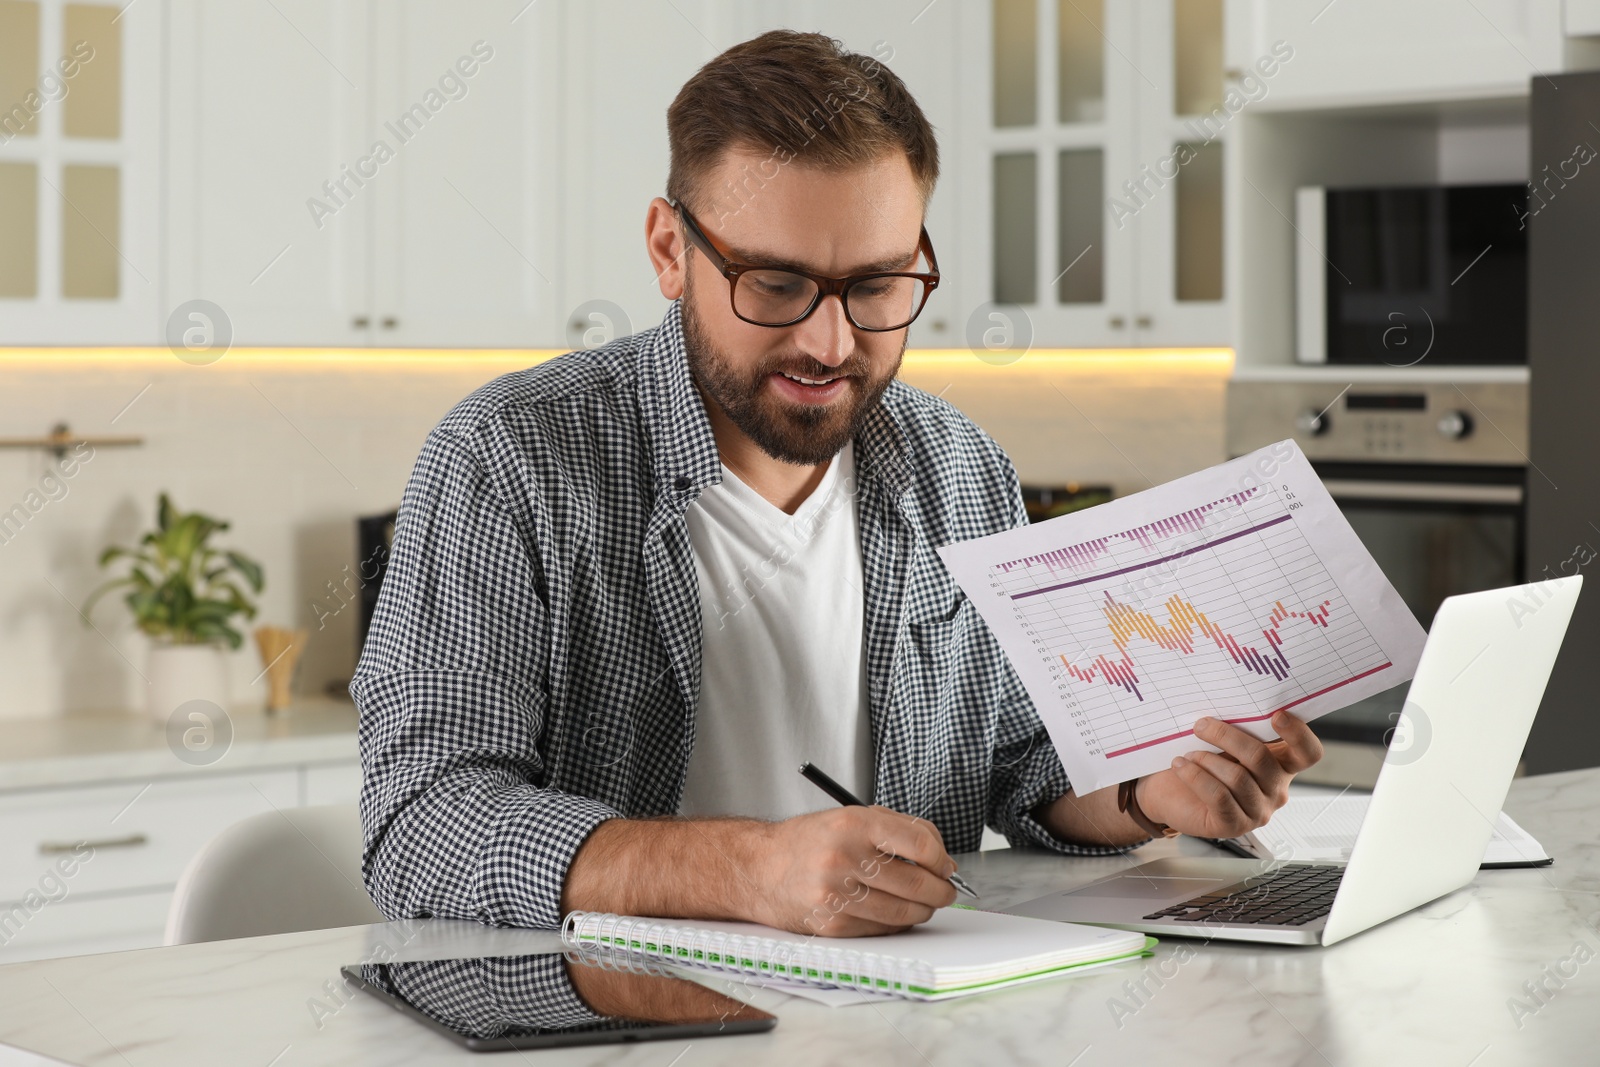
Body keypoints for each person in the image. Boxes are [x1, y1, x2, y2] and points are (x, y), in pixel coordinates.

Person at [353, 29, 1323, 941]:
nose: (830, 342)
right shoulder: (508, 458)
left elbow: (1019, 764)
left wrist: (1149, 795)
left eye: (876, 286)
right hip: (611, 1019)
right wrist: (750, 867)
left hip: (907, 1015)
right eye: (774, 285)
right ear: (666, 248)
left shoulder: (959, 466)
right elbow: (426, 820)